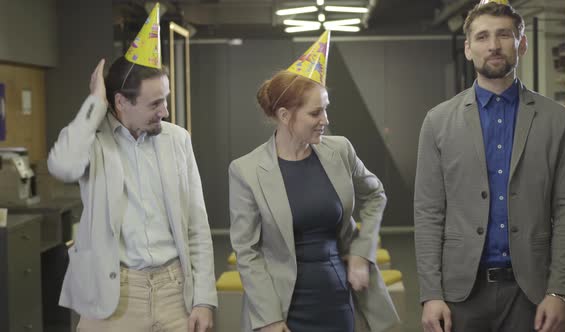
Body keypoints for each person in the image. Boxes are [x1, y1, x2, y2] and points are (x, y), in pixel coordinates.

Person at [414, 1, 565, 332]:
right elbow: (428, 212)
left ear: (521, 43)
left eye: (504, 35)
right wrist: (431, 293)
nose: (493, 45)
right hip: (460, 294)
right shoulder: (438, 122)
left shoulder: (556, 119)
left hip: (533, 294)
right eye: (482, 37)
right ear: (468, 48)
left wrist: (560, 291)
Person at [47, 4, 217, 331]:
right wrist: (95, 101)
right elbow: (62, 166)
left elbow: (197, 224)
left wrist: (204, 299)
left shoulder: (177, 140)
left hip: (174, 291)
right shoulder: (93, 141)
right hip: (114, 295)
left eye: (165, 99)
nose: (165, 111)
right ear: (121, 102)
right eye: (155, 103)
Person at [228, 31, 399, 332]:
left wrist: (362, 252)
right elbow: (248, 252)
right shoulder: (246, 170)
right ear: (284, 115)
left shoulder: (340, 150)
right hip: (283, 308)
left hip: (338, 298)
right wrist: (268, 317)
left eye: (326, 108)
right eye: (316, 112)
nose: (326, 119)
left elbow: (375, 196)